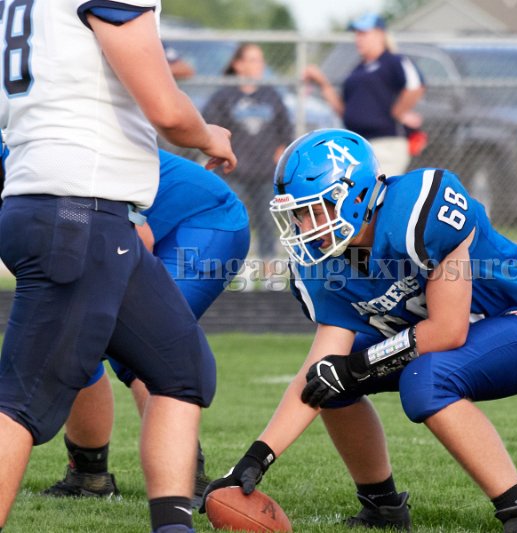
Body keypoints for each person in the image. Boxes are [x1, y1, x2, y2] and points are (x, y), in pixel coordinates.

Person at [200, 128, 517, 532]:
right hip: (458, 331)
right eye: (297, 214)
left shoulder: (417, 211)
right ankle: (382, 508)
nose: (304, 225)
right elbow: (321, 369)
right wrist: (255, 459)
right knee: (327, 379)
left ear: (356, 196)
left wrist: (358, 367)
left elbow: (448, 330)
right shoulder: (322, 263)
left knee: (425, 380)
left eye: (315, 210)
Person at [0, 3, 236, 532]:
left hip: (73, 210)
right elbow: (166, 110)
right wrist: (207, 135)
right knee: (22, 403)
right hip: (77, 210)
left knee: (183, 371)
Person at [41, 150, 251, 507]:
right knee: (70, 337)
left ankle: (186, 475)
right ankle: (88, 475)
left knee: (142, 340)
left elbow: (138, 236)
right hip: (150, 221)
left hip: (205, 220)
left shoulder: (49, 159)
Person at [202, 42, 293, 277]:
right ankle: (229, 268)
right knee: (233, 220)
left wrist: (281, 150)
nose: (258, 65)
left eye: (260, 60)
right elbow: (210, 128)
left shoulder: (271, 95)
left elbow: (286, 129)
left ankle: (268, 271)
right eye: (252, 60)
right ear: (238, 65)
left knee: (267, 222)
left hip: (265, 172)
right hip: (234, 171)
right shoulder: (224, 96)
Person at [303, 13, 425, 177]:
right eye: (357, 34)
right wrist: (323, 83)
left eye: (364, 33)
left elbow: (415, 85)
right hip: (358, 146)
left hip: (385, 143)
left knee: (376, 189)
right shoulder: (358, 69)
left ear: (380, 34)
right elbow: (344, 110)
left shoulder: (393, 61)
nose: (358, 39)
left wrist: (399, 112)